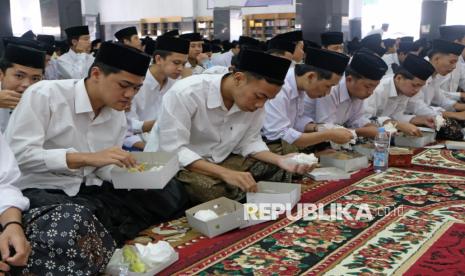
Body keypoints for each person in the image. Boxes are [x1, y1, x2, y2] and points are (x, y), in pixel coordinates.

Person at [5, 42, 188, 245]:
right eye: (124, 85)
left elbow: (102, 166)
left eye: (136, 88)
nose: (130, 95)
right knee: (77, 218)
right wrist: (85, 158)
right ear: (96, 74)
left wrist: (134, 176)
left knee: (167, 191)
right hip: (43, 187)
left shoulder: (116, 112)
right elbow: (20, 155)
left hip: (89, 186)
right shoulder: (45, 95)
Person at [145, 49, 313, 204]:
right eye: (259, 96)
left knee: (282, 156)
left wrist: (279, 160)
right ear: (239, 78)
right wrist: (225, 174)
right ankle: (237, 191)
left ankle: (238, 190)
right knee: (207, 188)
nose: (261, 105)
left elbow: (249, 142)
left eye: (267, 99)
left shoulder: (255, 102)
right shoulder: (185, 93)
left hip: (222, 159)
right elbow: (174, 150)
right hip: (180, 167)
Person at [262, 47, 352, 151]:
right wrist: (329, 134)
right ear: (311, 77)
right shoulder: (281, 86)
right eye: (328, 86)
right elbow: (278, 134)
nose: (328, 93)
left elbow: (296, 121)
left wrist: (318, 128)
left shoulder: (300, 86)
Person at [125, 36, 190, 150]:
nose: (180, 68)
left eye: (183, 64)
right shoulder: (137, 83)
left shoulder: (176, 83)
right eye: (176, 63)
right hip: (137, 143)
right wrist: (152, 149)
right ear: (159, 59)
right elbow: (127, 128)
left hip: (166, 140)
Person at [312, 49, 388, 138]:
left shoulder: (357, 91)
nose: (370, 92)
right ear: (349, 79)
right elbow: (325, 127)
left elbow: (356, 119)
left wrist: (370, 127)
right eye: (367, 86)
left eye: (374, 87)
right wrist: (359, 132)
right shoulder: (330, 89)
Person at [364, 54, 435, 135]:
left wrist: (420, 119)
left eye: (420, 86)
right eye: (414, 85)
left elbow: (396, 116)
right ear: (399, 78)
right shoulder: (378, 90)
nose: (417, 90)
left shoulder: (403, 90)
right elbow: (365, 120)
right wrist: (397, 125)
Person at [406, 39, 465, 119]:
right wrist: (455, 115)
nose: (454, 67)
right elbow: (417, 107)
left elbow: (441, 100)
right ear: (436, 59)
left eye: (455, 63)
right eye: (452, 62)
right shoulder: (419, 71)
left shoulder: (435, 76)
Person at [0, 42, 45, 133]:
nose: (27, 84)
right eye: (19, 76)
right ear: (1, 75)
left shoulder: (42, 100)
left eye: (35, 78)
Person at [438, 25, 465, 99]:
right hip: (433, 109)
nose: (454, 66)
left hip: (452, 106)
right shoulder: (429, 63)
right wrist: (460, 95)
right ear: (456, 42)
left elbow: (463, 80)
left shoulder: (459, 62)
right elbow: (435, 94)